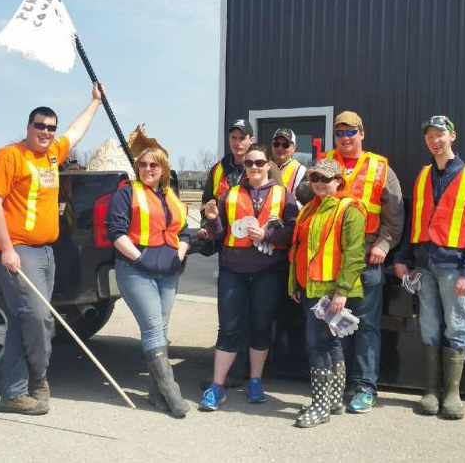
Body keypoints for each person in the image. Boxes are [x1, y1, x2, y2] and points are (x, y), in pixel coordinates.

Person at [0, 82, 104, 415]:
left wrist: (94, 103)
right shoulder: (9, 156)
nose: (47, 132)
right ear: (28, 127)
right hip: (17, 251)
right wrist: (7, 249)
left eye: (51, 127)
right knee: (36, 318)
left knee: (30, 320)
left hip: (46, 252)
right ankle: (34, 380)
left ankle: (16, 389)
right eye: (40, 126)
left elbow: (75, 133)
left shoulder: (53, 153)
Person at [393, 115, 465, 420]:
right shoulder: (422, 175)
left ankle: (452, 393)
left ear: (453, 137)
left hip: (453, 267)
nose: (435, 141)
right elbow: (412, 222)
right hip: (423, 266)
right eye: (430, 137)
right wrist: (402, 258)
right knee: (430, 325)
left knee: (456, 324)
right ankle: (431, 390)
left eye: (440, 135)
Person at [314, 111, 404, 413]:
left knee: (366, 326)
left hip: (367, 259)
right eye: (339, 132)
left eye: (350, 131)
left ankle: (364, 386)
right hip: (331, 258)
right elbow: (305, 197)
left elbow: (395, 217)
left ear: (361, 133)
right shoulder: (324, 162)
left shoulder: (381, 168)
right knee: (333, 324)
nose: (345, 138)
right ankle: (336, 384)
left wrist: (384, 244)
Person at [199, 144, 298, 411]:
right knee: (228, 328)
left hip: (267, 271)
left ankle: (255, 380)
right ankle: (217, 386)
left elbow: (292, 231)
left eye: (259, 162)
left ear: (268, 165)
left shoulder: (282, 194)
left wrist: (267, 235)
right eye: (249, 163)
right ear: (244, 167)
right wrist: (211, 220)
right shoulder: (230, 194)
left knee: (260, 326)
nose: (254, 167)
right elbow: (219, 232)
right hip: (233, 271)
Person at [105, 147, 191, 417]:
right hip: (135, 269)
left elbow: (185, 231)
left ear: (163, 168)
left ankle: (156, 393)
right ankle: (172, 392)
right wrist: (140, 258)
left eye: (154, 164)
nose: (148, 168)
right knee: (153, 328)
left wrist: (178, 256)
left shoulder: (170, 195)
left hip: (167, 270)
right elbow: (116, 232)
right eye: (143, 164)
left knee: (161, 329)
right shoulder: (126, 193)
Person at [288, 158, 366, 428]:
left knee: (317, 345)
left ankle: (320, 407)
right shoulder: (310, 208)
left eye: (326, 179)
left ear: (338, 181)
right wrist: (295, 285)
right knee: (331, 343)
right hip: (310, 288)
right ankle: (333, 400)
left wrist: (342, 291)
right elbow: (300, 250)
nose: (320, 183)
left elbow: (355, 254)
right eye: (315, 178)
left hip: (330, 290)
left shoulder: (350, 209)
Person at [271, 128, 306, 196]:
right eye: (276, 144)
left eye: (285, 145)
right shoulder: (262, 165)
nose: (280, 148)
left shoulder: (300, 170)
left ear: (294, 147)